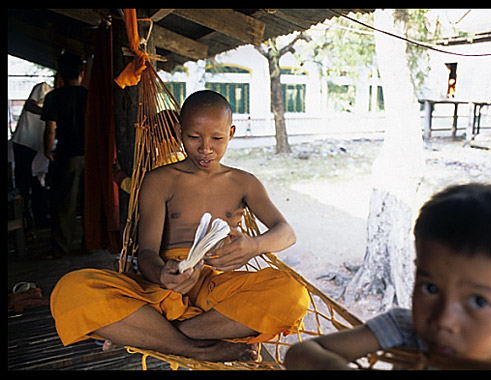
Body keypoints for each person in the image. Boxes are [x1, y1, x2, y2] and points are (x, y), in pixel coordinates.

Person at [50, 90, 310, 362]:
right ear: (178, 131)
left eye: (217, 138)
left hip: (216, 289)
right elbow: (147, 251)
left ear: (231, 133)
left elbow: (286, 232)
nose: (205, 148)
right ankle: (195, 347)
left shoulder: (244, 183)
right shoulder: (160, 180)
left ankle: (153, 335)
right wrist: (164, 274)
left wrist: (254, 246)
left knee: (293, 295)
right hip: (161, 286)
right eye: (193, 137)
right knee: (70, 290)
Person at [285, 183, 491, 370]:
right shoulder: (406, 330)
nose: (443, 321)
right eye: (430, 288)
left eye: (478, 301)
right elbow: (299, 354)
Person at [41, 52, 88, 258]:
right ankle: (91, 244)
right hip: (90, 156)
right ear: (82, 73)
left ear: (60, 73)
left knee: (64, 203)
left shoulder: (54, 97)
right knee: (89, 201)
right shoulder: (89, 96)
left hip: (67, 154)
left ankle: (61, 247)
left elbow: (50, 128)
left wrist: (47, 149)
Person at [10, 81, 53, 230]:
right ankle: (23, 220)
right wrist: (49, 112)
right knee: (24, 184)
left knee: (38, 182)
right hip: (25, 143)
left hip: (37, 145)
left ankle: (39, 219)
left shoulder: (58, 97)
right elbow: (30, 105)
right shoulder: (44, 88)